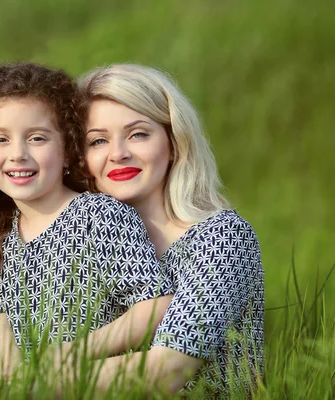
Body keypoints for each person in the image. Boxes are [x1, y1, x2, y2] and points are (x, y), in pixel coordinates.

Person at [0, 62, 173, 383]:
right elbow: (1, 345)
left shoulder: (98, 216)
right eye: (1, 139)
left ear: (67, 147)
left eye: (36, 138)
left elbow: (157, 304)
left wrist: (75, 352)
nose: (17, 154)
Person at [67, 64, 265, 396]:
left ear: (173, 142)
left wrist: (29, 378)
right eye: (98, 141)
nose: (118, 153)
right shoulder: (81, 246)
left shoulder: (223, 237)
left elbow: (165, 372)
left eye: (138, 134)